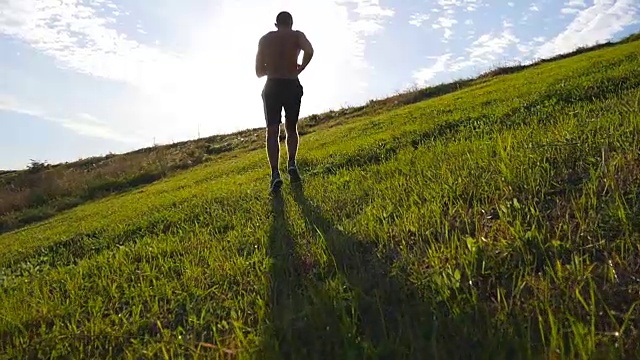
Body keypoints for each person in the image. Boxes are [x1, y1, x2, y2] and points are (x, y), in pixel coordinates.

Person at [255, 11, 314, 192]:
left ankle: (275, 174)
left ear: (276, 24)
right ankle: (291, 164)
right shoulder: (297, 35)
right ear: (291, 23)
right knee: (291, 128)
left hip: (272, 85)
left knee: (272, 131)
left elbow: (258, 71)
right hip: (291, 84)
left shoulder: (265, 39)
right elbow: (310, 50)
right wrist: (300, 67)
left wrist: (272, 68)